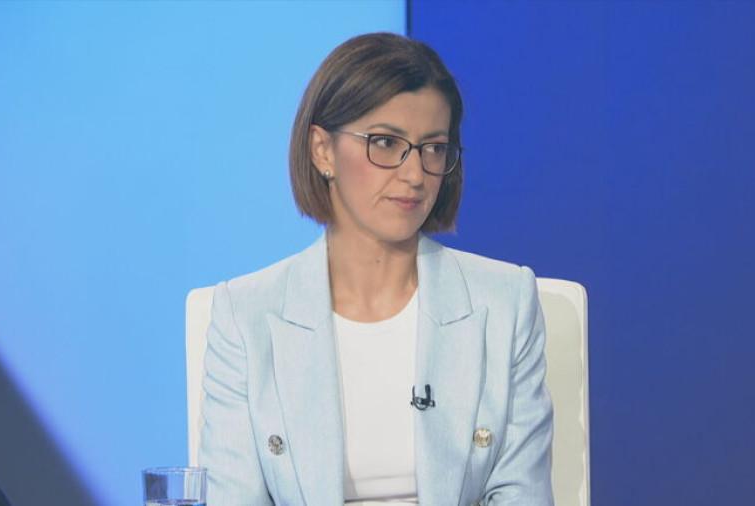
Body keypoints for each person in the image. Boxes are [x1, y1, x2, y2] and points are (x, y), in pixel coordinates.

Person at [198, 32, 554, 506]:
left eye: (433, 148)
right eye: (386, 142)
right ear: (322, 150)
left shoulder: (505, 302)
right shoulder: (246, 317)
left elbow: (522, 495)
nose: (415, 174)